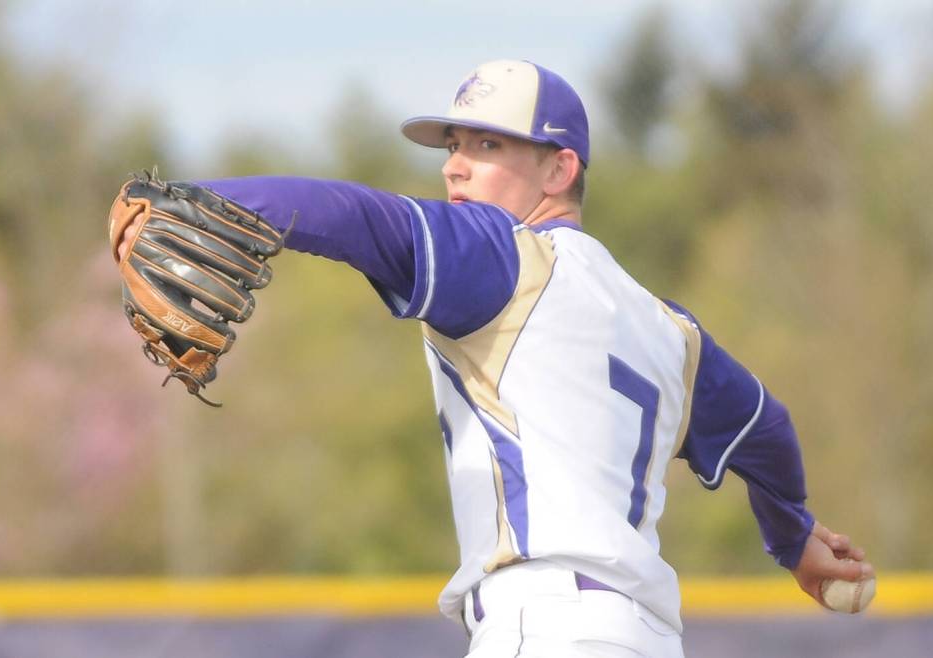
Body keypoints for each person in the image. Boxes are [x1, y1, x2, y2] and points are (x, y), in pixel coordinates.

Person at [118, 59, 873, 657]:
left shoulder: (503, 257)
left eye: (487, 145)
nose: (454, 167)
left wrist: (197, 200)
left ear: (560, 169)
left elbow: (359, 218)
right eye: (453, 147)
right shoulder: (671, 331)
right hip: (648, 637)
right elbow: (764, 428)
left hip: (543, 629)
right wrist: (794, 536)